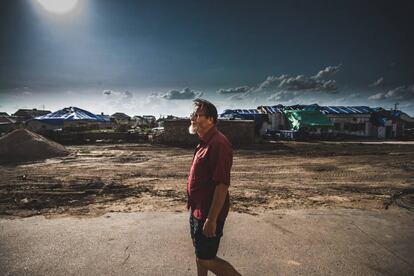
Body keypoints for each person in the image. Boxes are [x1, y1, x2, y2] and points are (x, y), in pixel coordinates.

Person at [187, 98, 241, 276]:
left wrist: (211, 220)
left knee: (206, 258)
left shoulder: (218, 143)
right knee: (200, 255)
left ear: (210, 119)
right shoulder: (203, 143)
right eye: (192, 114)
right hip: (197, 211)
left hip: (209, 214)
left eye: (197, 114)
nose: (193, 118)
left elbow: (222, 184)